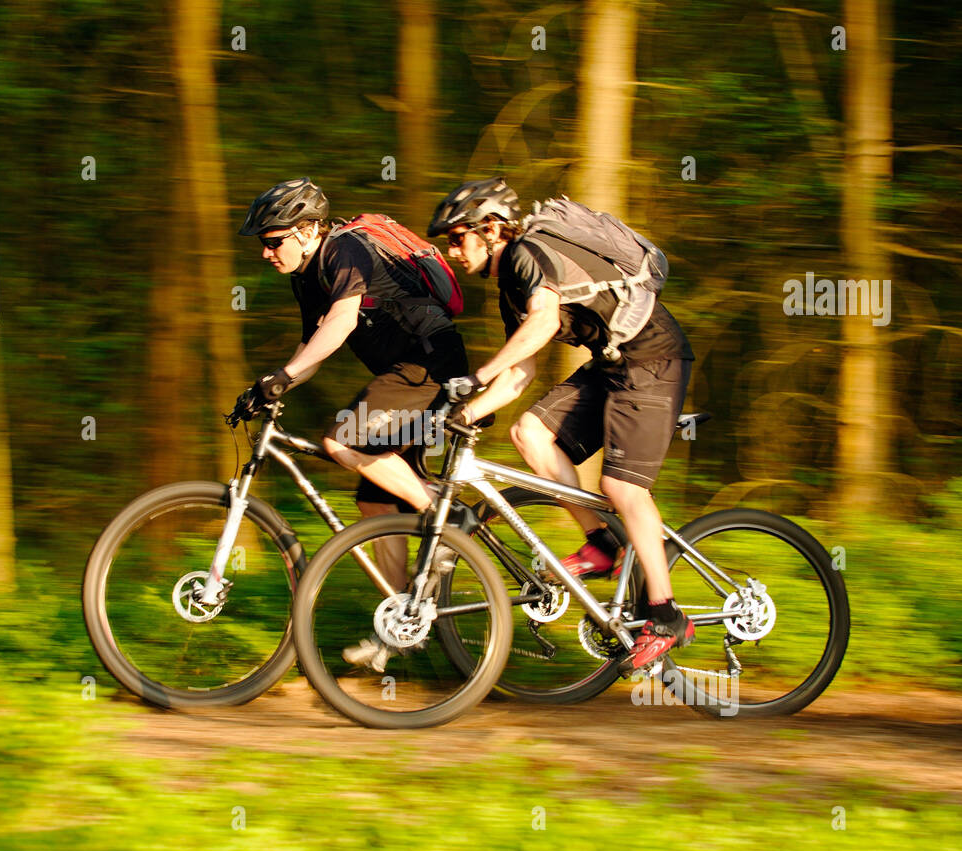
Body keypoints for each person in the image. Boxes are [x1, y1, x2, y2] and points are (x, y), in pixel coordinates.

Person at [428, 177, 697, 675]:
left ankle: (665, 615)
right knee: (529, 434)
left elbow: (544, 325)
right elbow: (521, 369)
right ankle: (603, 545)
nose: (454, 251)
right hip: (615, 363)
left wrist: (475, 377)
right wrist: (464, 413)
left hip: (655, 360)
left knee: (620, 484)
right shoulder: (511, 284)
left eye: (458, 237)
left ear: (490, 229)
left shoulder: (529, 252)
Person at [235, 178, 471, 671]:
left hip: (427, 365)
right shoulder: (306, 276)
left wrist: (285, 377)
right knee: (376, 504)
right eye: (263, 244)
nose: (266, 253)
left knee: (344, 439)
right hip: (402, 377)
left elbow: (342, 322)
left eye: (273, 241)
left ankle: (451, 518)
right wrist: (269, 386)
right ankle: (406, 621)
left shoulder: (344, 248)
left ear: (307, 229)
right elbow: (314, 348)